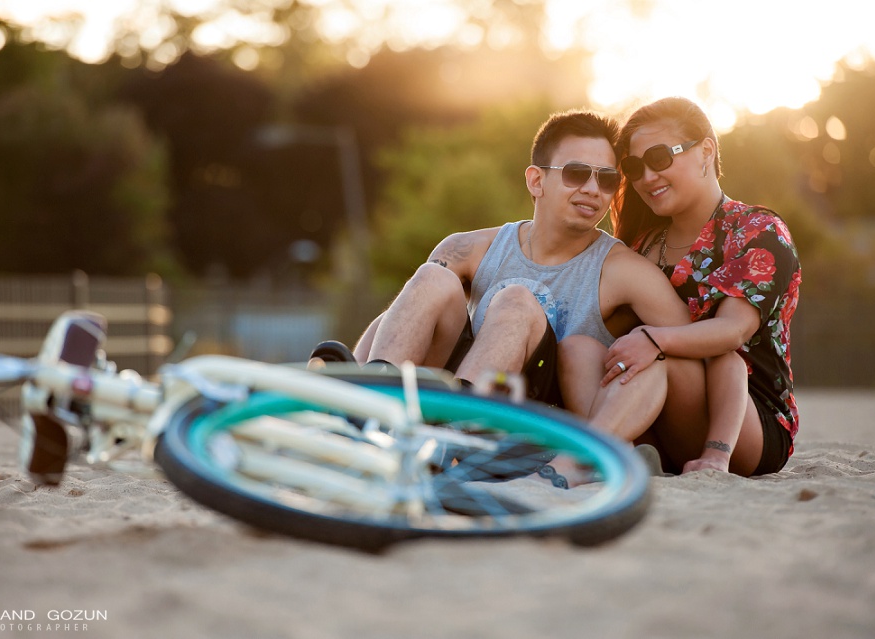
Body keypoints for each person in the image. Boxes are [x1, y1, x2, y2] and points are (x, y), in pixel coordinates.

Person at [311, 109, 691, 441]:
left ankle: (449, 434)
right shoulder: (467, 248)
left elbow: (687, 345)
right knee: (432, 277)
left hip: (534, 409)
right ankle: (360, 404)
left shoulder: (625, 270)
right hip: (457, 381)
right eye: (577, 173)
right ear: (535, 181)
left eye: (606, 179)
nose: (593, 189)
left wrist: (703, 445)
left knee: (517, 302)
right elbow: (395, 324)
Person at [565, 96, 801, 477]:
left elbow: (732, 332)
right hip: (657, 405)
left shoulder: (757, 230)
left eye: (659, 158)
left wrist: (654, 340)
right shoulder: (642, 245)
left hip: (745, 419)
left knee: (685, 355)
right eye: (634, 167)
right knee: (577, 349)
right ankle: (621, 451)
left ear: (706, 151)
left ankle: (593, 455)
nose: (645, 177)